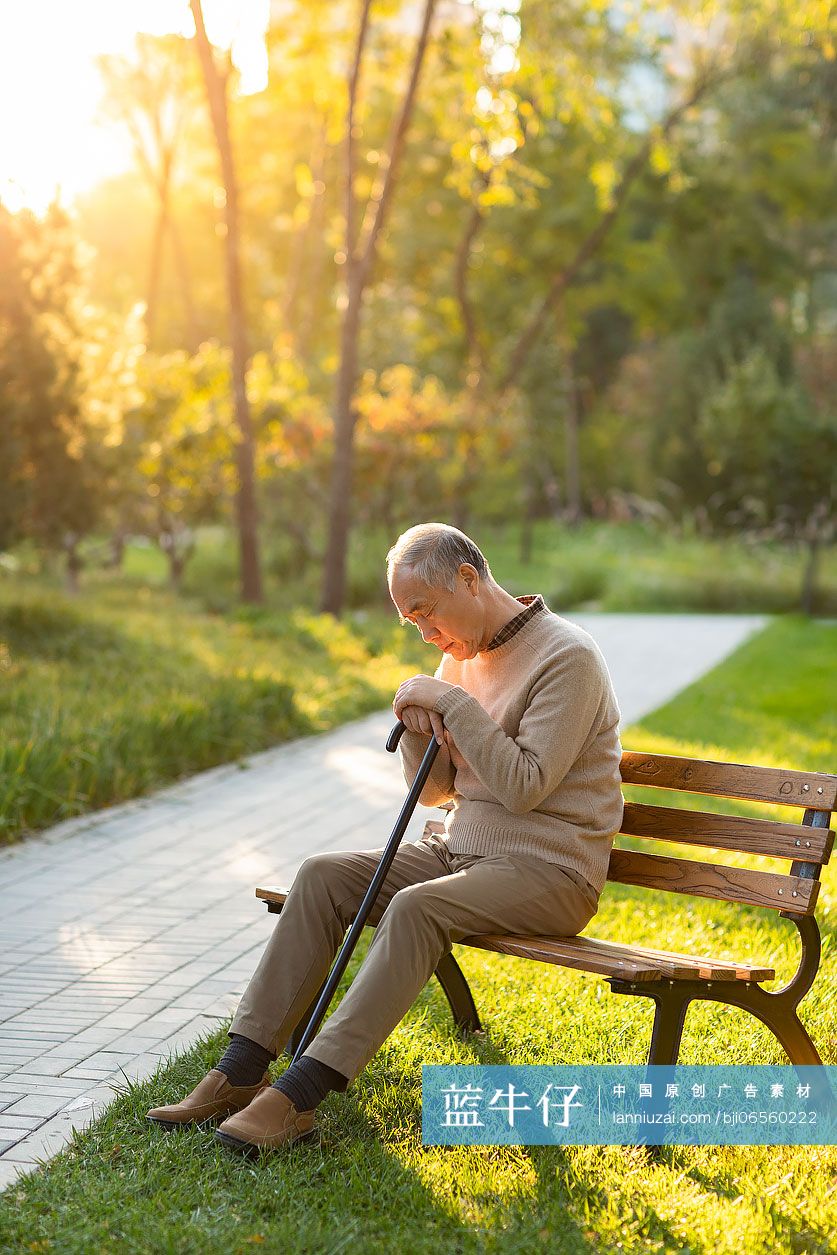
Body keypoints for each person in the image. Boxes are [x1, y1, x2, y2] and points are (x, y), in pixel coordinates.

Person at [146, 522, 624, 1154]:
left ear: (467, 579)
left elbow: (525, 786)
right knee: (321, 874)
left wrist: (451, 707)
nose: (426, 635)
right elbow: (433, 793)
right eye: (413, 624)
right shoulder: (460, 657)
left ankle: (300, 1095)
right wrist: (421, 723)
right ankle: (239, 1071)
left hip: (551, 871)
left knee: (417, 906)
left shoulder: (568, 657)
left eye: (425, 614)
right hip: (464, 853)